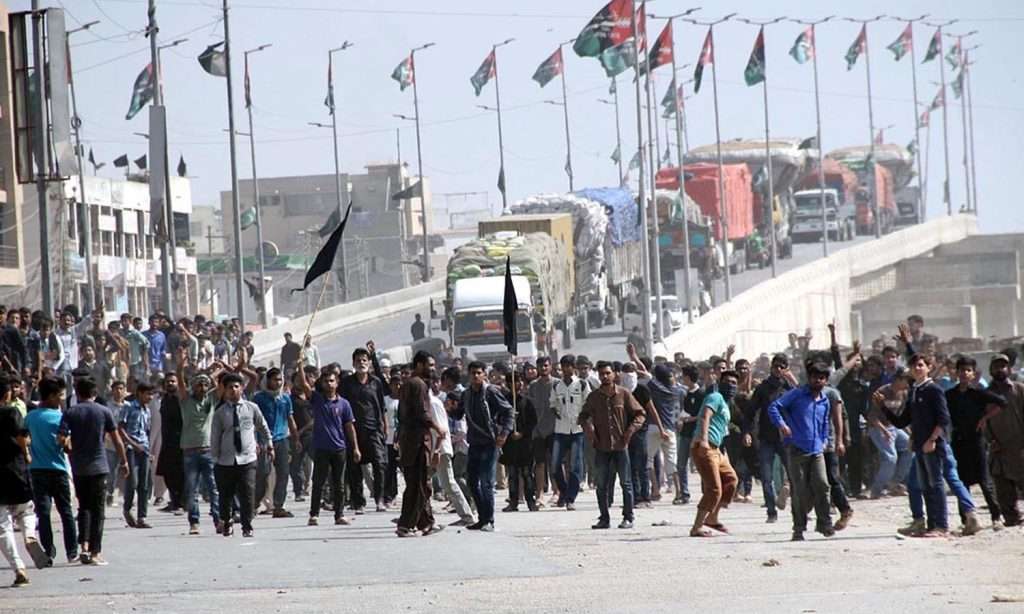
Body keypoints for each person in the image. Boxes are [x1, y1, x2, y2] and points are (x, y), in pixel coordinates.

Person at [879, 354, 957, 537]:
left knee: (936, 484)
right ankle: (931, 525)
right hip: (920, 445)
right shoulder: (915, 391)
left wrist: (932, 440)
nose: (917, 368)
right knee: (926, 486)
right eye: (914, 366)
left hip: (932, 445)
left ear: (928, 367)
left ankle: (941, 525)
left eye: (921, 365)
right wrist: (883, 407)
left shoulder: (933, 390)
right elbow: (902, 421)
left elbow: (943, 419)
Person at [60, 377, 129, 565]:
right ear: (95, 394)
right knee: (98, 510)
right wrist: (124, 462)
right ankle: (95, 552)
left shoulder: (70, 412)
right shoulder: (104, 411)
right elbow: (117, 440)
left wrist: (69, 450)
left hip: (79, 467)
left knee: (83, 507)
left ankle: (83, 545)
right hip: (99, 466)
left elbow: (62, 439)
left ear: (78, 394)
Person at [768, 361, 835, 541]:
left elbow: (824, 424)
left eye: (821, 378)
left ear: (826, 380)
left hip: (817, 450)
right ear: (809, 378)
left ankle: (824, 523)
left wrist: (824, 441)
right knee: (799, 490)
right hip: (797, 449)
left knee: (822, 484)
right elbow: (774, 407)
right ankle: (798, 528)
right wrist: (782, 425)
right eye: (815, 378)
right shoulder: (796, 395)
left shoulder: (824, 401)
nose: (818, 381)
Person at [578, 361, 645, 530]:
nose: (605, 377)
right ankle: (604, 518)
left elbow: (640, 414)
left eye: (608, 373)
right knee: (601, 485)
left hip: (621, 446)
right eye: (602, 374)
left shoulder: (624, 394)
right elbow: (583, 417)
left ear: (614, 374)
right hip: (602, 446)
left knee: (626, 483)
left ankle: (628, 517)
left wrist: (629, 432)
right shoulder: (594, 397)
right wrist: (590, 431)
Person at [1, 374, 49, 585]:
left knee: (2, 526)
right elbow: (22, 436)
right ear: (6, 393)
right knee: (26, 510)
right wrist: (27, 452)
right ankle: (29, 535)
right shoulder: (12, 412)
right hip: (15, 470)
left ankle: (19, 567)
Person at [210, 372, 272, 538]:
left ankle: (247, 526)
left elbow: (263, 427)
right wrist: (214, 458)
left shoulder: (252, 408)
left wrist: (269, 443)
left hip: (247, 458)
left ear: (242, 388)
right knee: (226, 495)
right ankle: (227, 521)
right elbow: (215, 436)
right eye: (229, 387)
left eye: (236, 386)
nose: (233, 390)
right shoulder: (220, 413)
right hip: (225, 460)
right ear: (225, 390)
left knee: (247, 493)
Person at [454, 361, 514, 532]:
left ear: (484, 375)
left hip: (490, 442)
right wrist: (450, 408)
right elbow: (459, 414)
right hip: (474, 443)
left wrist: (504, 434)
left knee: (486, 482)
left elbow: (508, 411)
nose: (475, 376)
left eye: (478, 373)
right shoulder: (466, 394)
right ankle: (482, 518)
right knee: (472, 482)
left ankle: (489, 520)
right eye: (472, 373)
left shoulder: (491, 392)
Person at [946, 356, 1005, 528]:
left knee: (984, 480)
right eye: (961, 370)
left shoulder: (978, 393)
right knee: (961, 481)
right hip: (958, 441)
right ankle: (966, 519)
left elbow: (1002, 403)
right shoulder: (950, 395)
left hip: (977, 441)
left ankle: (996, 517)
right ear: (956, 373)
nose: (964, 373)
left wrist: (985, 418)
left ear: (973, 374)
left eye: (968, 370)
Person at [25, 377, 77, 565]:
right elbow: (68, 447)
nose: (61, 399)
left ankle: (48, 551)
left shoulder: (30, 417)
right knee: (66, 512)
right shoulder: (61, 417)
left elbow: (24, 438)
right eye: (60, 395)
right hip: (58, 470)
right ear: (53, 396)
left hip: (37, 471)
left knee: (43, 513)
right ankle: (72, 551)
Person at [396, 351, 447, 537]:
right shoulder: (417, 385)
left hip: (411, 440)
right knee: (417, 485)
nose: (432, 369)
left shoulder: (412, 383)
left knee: (421, 484)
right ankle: (405, 525)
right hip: (416, 441)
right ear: (419, 365)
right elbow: (422, 413)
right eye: (430, 365)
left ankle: (427, 523)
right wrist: (437, 428)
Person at [688, 369, 739, 537]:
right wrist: (702, 440)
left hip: (716, 449)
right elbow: (704, 416)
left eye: (734, 383)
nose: (731, 385)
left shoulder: (725, 403)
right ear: (720, 382)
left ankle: (713, 517)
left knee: (731, 480)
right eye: (728, 382)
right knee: (714, 489)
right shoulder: (715, 397)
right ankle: (697, 527)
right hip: (705, 446)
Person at [339, 346, 389, 513]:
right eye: (358, 360)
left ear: (369, 363)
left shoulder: (376, 382)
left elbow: (381, 407)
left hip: (374, 430)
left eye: (364, 360)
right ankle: (358, 502)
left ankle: (380, 499)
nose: (361, 363)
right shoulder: (346, 384)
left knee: (380, 464)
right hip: (353, 430)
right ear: (353, 363)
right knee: (354, 467)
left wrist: (384, 427)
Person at [746, 354, 795, 523]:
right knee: (767, 478)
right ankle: (771, 511)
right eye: (776, 366)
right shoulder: (763, 388)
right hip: (767, 437)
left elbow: (805, 402)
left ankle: (799, 510)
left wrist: (792, 381)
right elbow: (751, 411)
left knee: (794, 475)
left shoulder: (790, 388)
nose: (779, 370)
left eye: (782, 366)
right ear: (771, 367)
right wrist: (747, 431)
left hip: (787, 438)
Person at [179, 366, 221, 536]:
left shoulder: (210, 401)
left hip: (207, 450)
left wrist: (219, 372)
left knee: (214, 488)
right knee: (192, 489)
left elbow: (221, 387)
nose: (202, 388)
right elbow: (181, 383)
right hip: (190, 452)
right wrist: (181, 366)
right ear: (193, 386)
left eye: (205, 385)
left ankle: (219, 520)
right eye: (199, 385)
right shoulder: (186, 401)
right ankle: (194, 522)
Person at [253, 367, 299, 518]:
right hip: (264, 441)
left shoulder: (285, 398)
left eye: (280, 379)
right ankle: (252, 505)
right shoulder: (259, 398)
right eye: (275, 379)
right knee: (262, 473)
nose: (278, 383)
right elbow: (252, 422)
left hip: (282, 440)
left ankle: (278, 506)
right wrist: (254, 441)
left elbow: (290, 420)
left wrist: (295, 438)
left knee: (283, 474)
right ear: (268, 380)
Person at [985, 354, 1024, 527]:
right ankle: (1012, 518)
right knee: (1002, 485)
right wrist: (990, 440)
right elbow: (982, 420)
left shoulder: (1019, 390)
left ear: (1009, 369)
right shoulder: (985, 394)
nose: (1000, 369)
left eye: (1003, 366)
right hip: (998, 446)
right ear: (990, 370)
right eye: (996, 366)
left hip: (1019, 445)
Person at [430, 388, 475, 526]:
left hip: (441, 450)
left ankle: (467, 515)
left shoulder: (434, 404)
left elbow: (442, 432)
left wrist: (437, 450)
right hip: (433, 449)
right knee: (420, 482)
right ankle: (415, 516)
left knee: (449, 483)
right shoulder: (430, 403)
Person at [549, 355, 588, 511]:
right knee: (555, 465)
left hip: (577, 430)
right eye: (563, 366)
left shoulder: (582, 384)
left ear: (573, 367)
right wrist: (555, 412)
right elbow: (552, 403)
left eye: (568, 366)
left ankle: (571, 498)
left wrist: (584, 418)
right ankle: (564, 492)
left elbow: (588, 403)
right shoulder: (556, 386)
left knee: (575, 466)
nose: (565, 369)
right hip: (561, 429)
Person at [500, 369, 538, 513]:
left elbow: (533, 422)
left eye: (519, 381)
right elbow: (499, 419)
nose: (517, 384)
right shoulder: (504, 401)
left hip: (525, 444)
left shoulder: (527, 402)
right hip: (510, 444)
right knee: (512, 475)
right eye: (514, 381)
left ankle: (530, 501)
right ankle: (513, 501)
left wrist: (522, 433)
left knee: (527, 474)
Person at [118, 382, 154, 529]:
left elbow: (147, 431)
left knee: (144, 485)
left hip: (144, 449)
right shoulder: (129, 407)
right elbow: (120, 428)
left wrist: (147, 449)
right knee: (132, 481)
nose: (150, 397)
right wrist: (133, 444)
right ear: (139, 393)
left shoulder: (147, 410)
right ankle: (127, 509)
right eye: (148, 394)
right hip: (132, 449)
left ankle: (141, 517)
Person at [526, 356, 555, 507]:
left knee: (555, 462)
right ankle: (540, 494)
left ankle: (557, 493)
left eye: (545, 366)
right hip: (538, 431)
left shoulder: (557, 384)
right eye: (540, 366)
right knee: (539, 463)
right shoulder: (533, 386)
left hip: (555, 429)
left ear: (550, 367)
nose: (543, 368)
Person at [156, 372, 185, 514]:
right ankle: (174, 501)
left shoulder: (181, 399)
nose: (170, 384)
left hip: (180, 442)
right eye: (168, 381)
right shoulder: (164, 399)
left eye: (173, 381)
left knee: (179, 474)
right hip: (167, 442)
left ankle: (180, 502)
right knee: (167, 474)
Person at [675, 365, 703, 505]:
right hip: (685, 433)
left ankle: (707, 492)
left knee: (701, 464)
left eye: (684, 376)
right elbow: (685, 410)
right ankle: (684, 493)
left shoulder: (701, 394)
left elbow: (703, 415)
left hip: (696, 433)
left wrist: (689, 419)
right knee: (681, 464)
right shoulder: (687, 393)